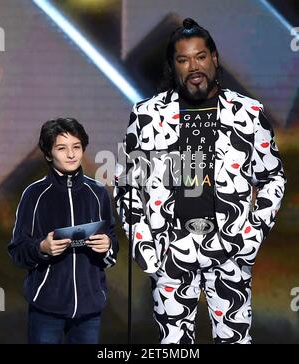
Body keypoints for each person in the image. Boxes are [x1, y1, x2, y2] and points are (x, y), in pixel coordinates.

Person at [114, 18, 286, 344]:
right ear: (174, 66)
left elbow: (272, 178)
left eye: (200, 56)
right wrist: (145, 247)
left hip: (230, 250)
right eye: (183, 59)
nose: (194, 66)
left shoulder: (248, 114)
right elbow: (128, 187)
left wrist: (250, 237)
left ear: (214, 59)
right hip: (171, 251)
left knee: (234, 341)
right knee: (175, 346)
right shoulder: (148, 116)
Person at [9, 118, 118, 344]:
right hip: (46, 309)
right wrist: (41, 247)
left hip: (90, 309)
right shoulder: (34, 194)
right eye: (62, 148)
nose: (71, 154)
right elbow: (18, 251)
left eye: (76, 147)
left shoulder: (98, 192)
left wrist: (107, 246)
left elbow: (112, 242)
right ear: (48, 154)